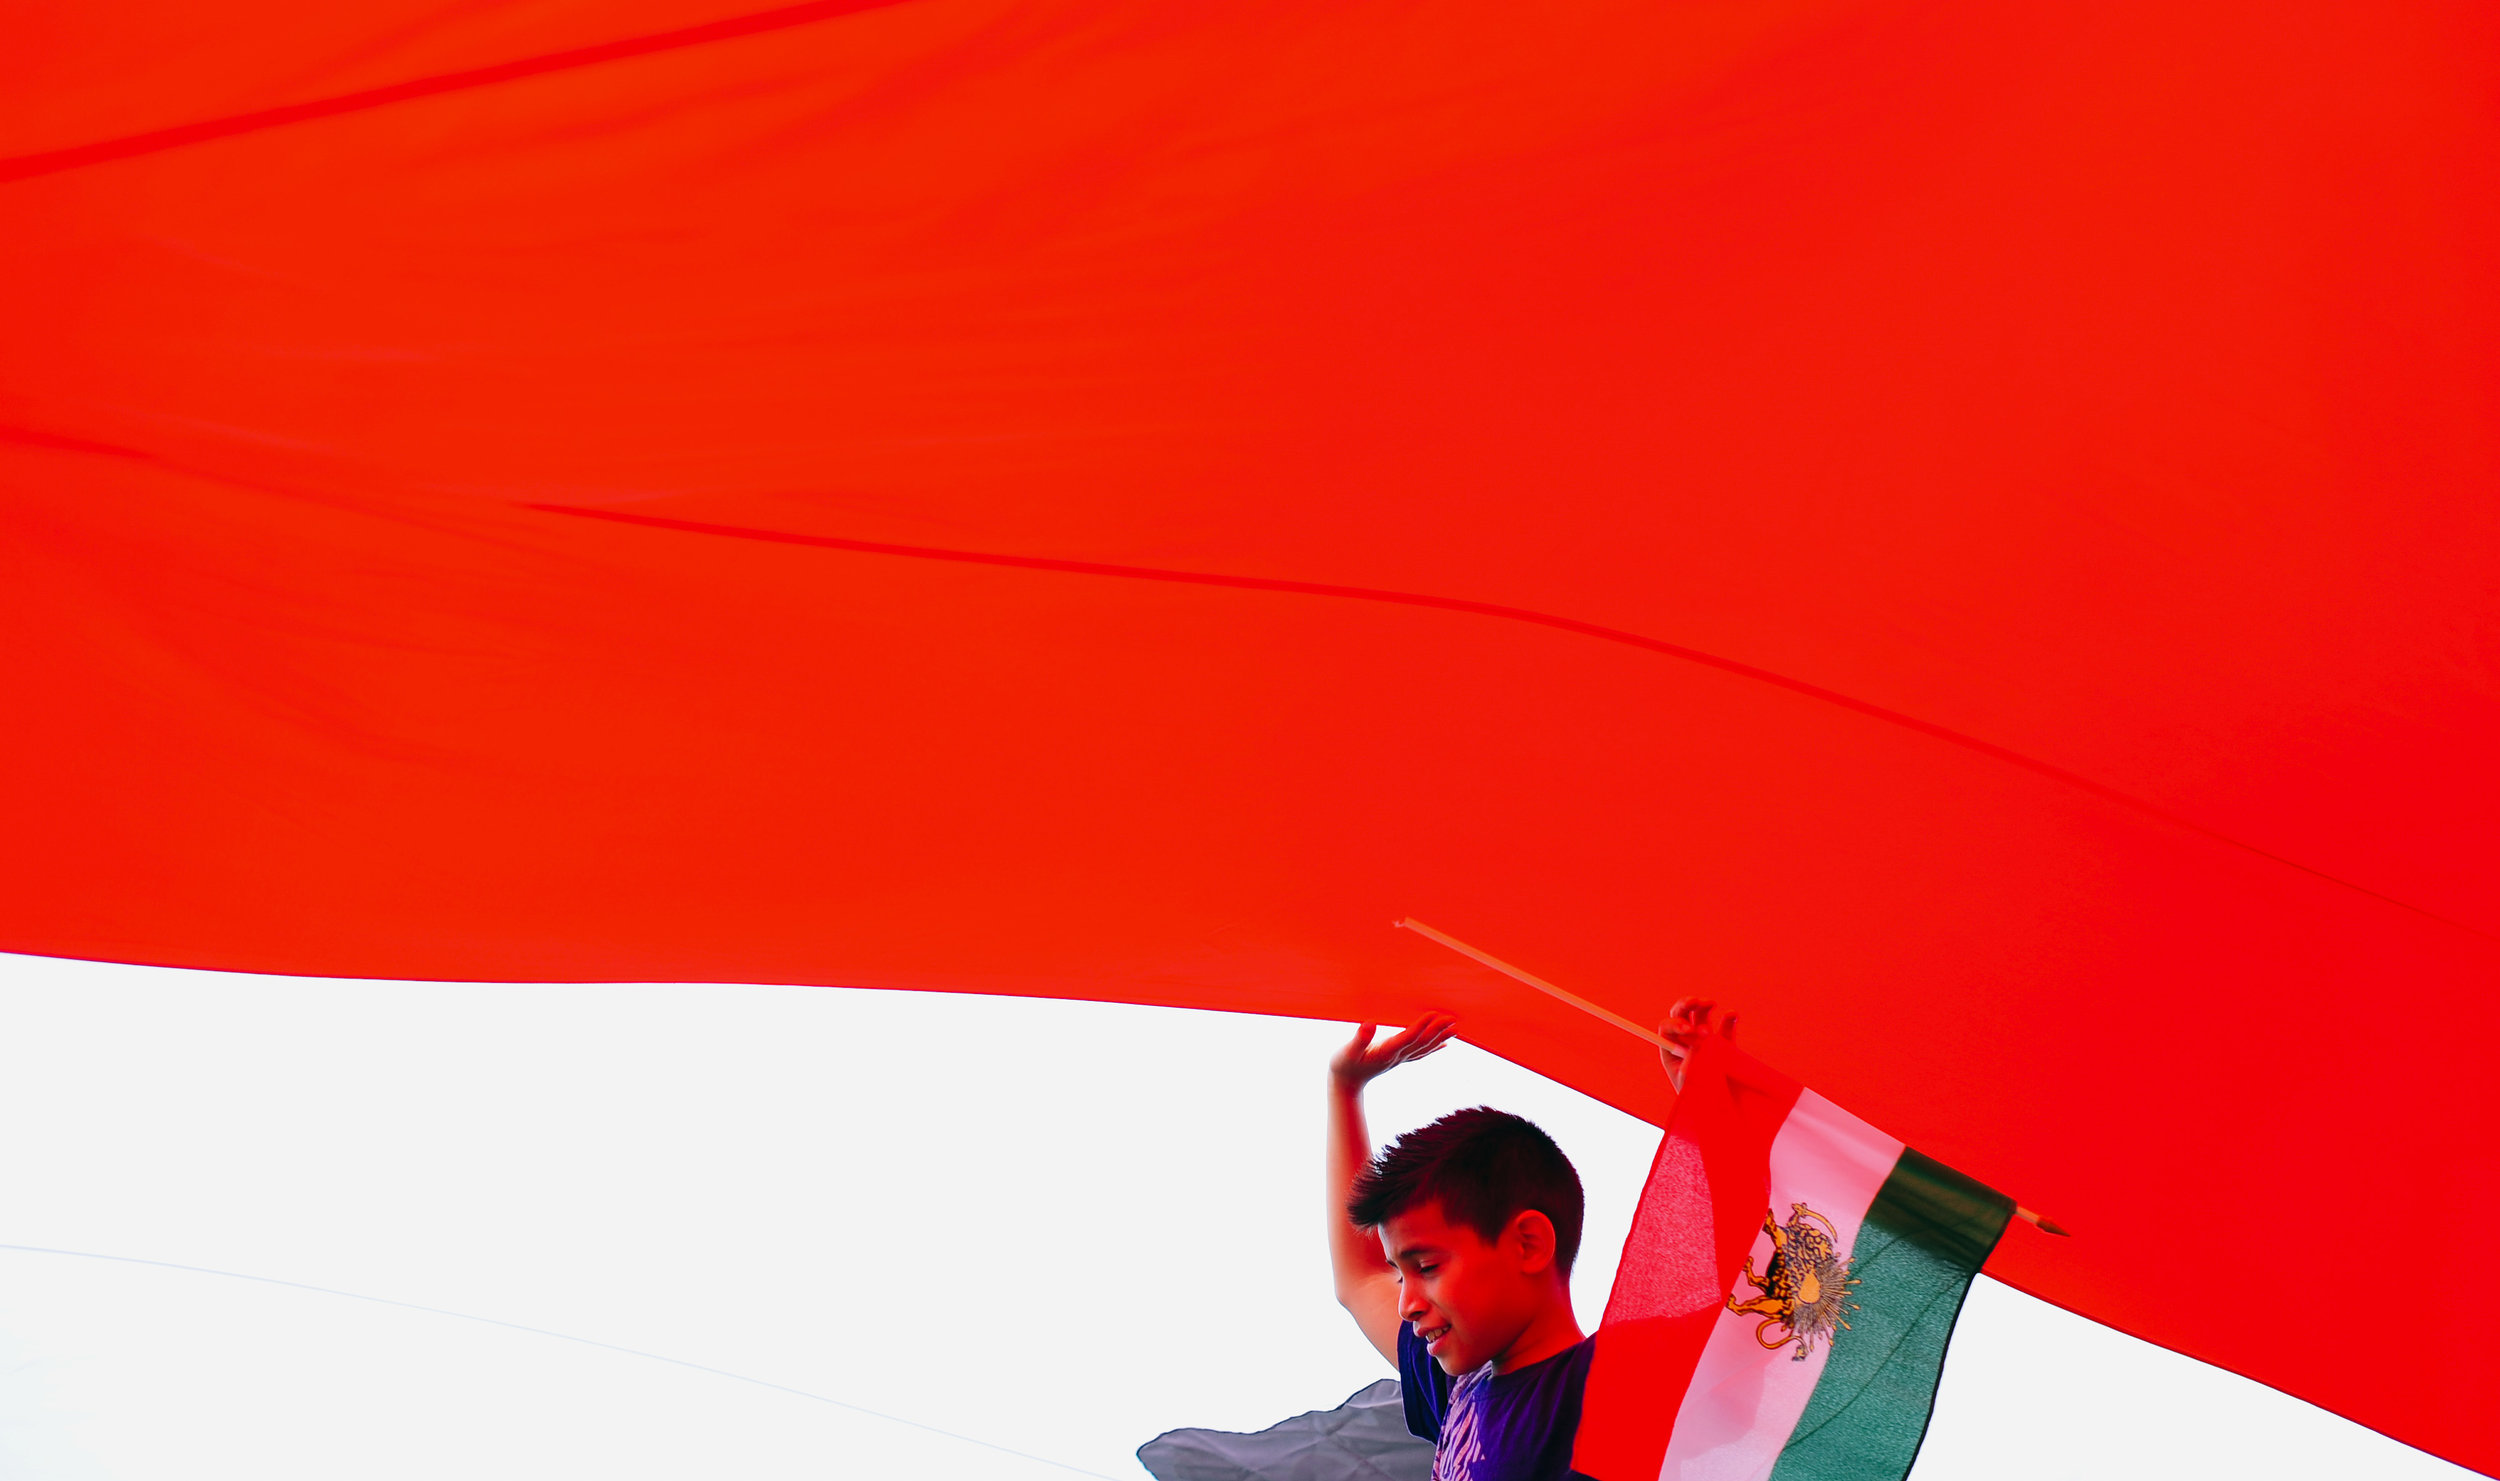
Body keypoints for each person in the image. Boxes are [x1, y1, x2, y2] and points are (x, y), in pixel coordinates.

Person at [1324, 1002, 1733, 1481]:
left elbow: (1762, 1306)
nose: (1405, 1303)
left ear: (1529, 1243)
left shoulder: (1605, 1388)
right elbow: (1360, 1278)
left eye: (1427, 1267)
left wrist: (1713, 1115)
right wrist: (1344, 1088)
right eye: (1402, 1272)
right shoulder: (1458, 1390)